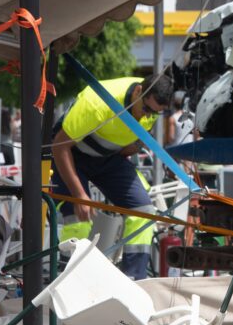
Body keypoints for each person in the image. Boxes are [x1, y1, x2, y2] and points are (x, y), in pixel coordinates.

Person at [51, 74, 173, 280]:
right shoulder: (97, 104)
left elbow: (127, 148)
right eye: (146, 109)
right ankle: (67, 281)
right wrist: (80, 195)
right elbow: (59, 146)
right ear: (137, 92)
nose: (147, 116)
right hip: (69, 154)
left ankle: (135, 280)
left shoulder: (150, 110)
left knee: (144, 212)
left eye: (155, 113)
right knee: (78, 221)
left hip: (107, 158)